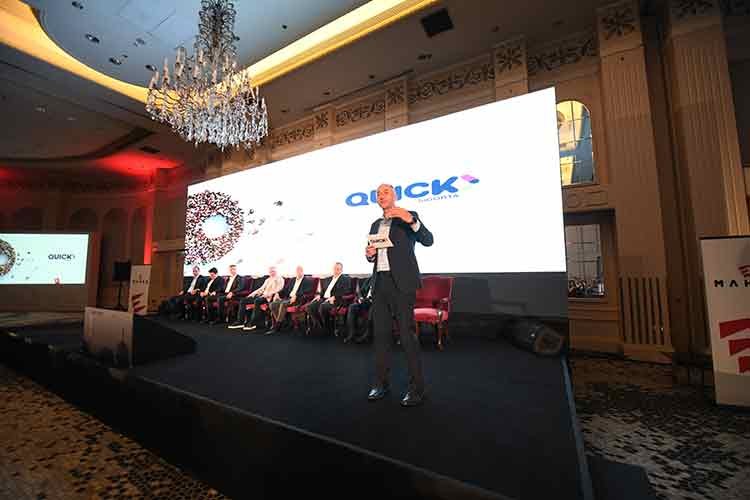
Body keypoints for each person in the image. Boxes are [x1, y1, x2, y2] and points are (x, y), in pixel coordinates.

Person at [365, 183, 433, 407]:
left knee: (406, 336)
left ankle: (417, 388)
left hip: (402, 285)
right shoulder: (375, 224)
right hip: (380, 284)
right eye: (378, 193)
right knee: (381, 336)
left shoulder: (408, 216)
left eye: (385, 192)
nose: (381, 195)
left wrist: (411, 220)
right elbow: (373, 254)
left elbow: (428, 240)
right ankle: (381, 384)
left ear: (395, 195)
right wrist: (369, 254)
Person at [230, 267, 284, 332]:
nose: (272, 273)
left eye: (273, 271)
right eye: (270, 272)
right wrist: (252, 294)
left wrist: (268, 294)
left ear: (276, 271)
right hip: (262, 295)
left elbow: (279, 289)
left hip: (269, 297)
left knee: (257, 301)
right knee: (243, 300)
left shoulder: (280, 279)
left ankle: (253, 323)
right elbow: (261, 288)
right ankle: (240, 321)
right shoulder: (268, 279)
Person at [265, 265, 313, 335]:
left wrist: (297, 295)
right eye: (297, 271)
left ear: (302, 272)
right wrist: (278, 293)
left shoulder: (308, 281)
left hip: (298, 299)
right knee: (272, 304)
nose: (298, 272)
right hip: (288, 298)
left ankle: (277, 326)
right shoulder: (292, 280)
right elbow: (285, 289)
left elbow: (308, 291)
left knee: (283, 304)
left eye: (300, 271)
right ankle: (283, 322)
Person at [305, 262, 351, 335]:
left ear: (341, 270)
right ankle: (319, 325)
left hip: (335, 300)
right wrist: (319, 295)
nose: (336, 270)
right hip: (324, 299)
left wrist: (335, 297)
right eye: (335, 269)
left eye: (338, 269)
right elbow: (323, 291)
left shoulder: (346, 279)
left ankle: (327, 327)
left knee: (322, 307)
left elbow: (347, 291)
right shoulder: (328, 279)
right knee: (309, 307)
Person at [345, 274, 374, 344]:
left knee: (372, 310)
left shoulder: (383, 280)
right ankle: (351, 333)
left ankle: (365, 335)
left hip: (375, 303)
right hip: (365, 301)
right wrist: (360, 298)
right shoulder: (370, 278)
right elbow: (360, 291)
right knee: (352, 307)